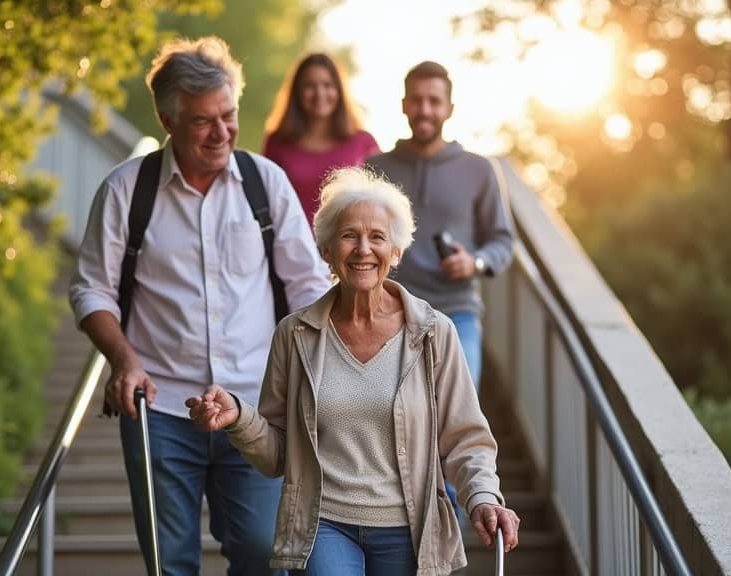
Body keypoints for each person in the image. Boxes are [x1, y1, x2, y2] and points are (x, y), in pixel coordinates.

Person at [68, 36, 332, 576]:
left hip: (257, 406)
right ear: (167, 120)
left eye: (228, 115)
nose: (221, 132)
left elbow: (306, 285)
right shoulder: (125, 190)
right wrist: (124, 359)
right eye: (202, 121)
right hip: (159, 409)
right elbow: (91, 288)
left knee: (266, 552)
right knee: (169, 563)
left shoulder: (266, 183)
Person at [186, 167, 521, 576]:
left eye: (377, 237)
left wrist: (484, 496)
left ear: (396, 252)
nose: (363, 249)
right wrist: (239, 418)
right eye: (349, 236)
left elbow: (466, 438)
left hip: (408, 528)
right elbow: (277, 454)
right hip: (324, 524)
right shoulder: (295, 335)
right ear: (327, 250)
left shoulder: (435, 333)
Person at [366, 61, 513, 390]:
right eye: (416, 100)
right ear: (404, 105)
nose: (425, 109)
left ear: (449, 108)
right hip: (387, 313)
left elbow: (502, 241)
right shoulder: (375, 168)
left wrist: (474, 262)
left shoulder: (480, 169)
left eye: (434, 101)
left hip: (457, 313)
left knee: (459, 417)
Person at [263, 53, 379, 224]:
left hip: (349, 248)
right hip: (290, 246)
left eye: (327, 85)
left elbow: (380, 204)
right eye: (309, 86)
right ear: (297, 93)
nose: (320, 93)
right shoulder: (277, 143)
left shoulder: (363, 142)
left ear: (339, 90)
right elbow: (264, 201)